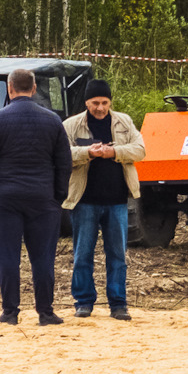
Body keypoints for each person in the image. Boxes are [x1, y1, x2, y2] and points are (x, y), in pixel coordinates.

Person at [0, 67, 71, 325]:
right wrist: (57, 197)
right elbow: (64, 162)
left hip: (3, 200)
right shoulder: (53, 120)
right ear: (34, 88)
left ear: (9, 88)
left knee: (7, 258)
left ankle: (10, 312)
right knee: (43, 259)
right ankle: (46, 312)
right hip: (43, 199)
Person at [59, 80, 145, 319]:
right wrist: (87, 153)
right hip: (84, 201)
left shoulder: (124, 122)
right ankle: (83, 302)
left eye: (104, 102)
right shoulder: (71, 125)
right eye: (95, 103)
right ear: (86, 102)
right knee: (82, 254)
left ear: (110, 102)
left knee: (117, 255)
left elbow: (140, 150)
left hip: (117, 201)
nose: (100, 108)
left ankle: (118, 304)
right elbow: (61, 155)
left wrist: (114, 152)